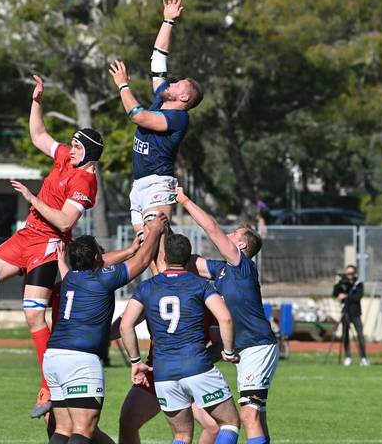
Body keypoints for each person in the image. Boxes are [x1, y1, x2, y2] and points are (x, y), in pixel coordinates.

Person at [0, 74, 103, 420]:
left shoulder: (85, 179)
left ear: (87, 153)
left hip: (49, 244)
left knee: (32, 314)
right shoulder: (64, 160)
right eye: (70, 144)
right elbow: (38, 135)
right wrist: (37, 101)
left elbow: (66, 222)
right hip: (25, 237)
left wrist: (30, 197)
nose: (69, 149)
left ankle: (47, 385)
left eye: (76, 146)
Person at [43, 214, 167, 444]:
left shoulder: (70, 277)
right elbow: (142, 262)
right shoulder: (102, 279)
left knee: (63, 428)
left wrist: (130, 249)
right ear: (97, 257)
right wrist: (156, 231)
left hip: (54, 357)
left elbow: (108, 261)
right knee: (83, 429)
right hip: (79, 361)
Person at [177, 188, 278, 444]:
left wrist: (184, 200)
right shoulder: (223, 269)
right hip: (244, 348)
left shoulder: (242, 265)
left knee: (248, 415)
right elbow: (189, 261)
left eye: (234, 234)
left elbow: (212, 229)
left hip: (257, 345)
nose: (228, 234)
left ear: (241, 245)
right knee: (256, 416)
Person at [120, 234, 241, 444]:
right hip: (197, 366)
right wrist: (229, 351)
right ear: (189, 258)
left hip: (163, 373)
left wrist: (135, 362)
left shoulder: (147, 287)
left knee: (182, 435)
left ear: (165, 257)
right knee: (229, 423)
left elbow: (125, 325)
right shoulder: (200, 285)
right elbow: (226, 319)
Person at [108, 0, 203, 239]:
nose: (172, 83)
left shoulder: (178, 120)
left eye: (178, 85)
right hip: (139, 184)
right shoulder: (163, 97)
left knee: (157, 245)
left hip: (158, 185)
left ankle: (179, 277)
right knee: (144, 247)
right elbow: (158, 60)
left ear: (183, 99)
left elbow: (138, 116)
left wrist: (123, 86)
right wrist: (168, 21)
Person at [332, 264, 369, 366]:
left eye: (351, 273)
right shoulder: (343, 283)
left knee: (360, 335)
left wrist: (346, 296)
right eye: (348, 273)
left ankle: (363, 358)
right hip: (345, 312)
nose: (349, 276)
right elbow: (335, 294)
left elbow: (357, 297)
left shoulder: (358, 284)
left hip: (356, 313)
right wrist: (336, 284)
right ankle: (348, 357)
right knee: (345, 336)